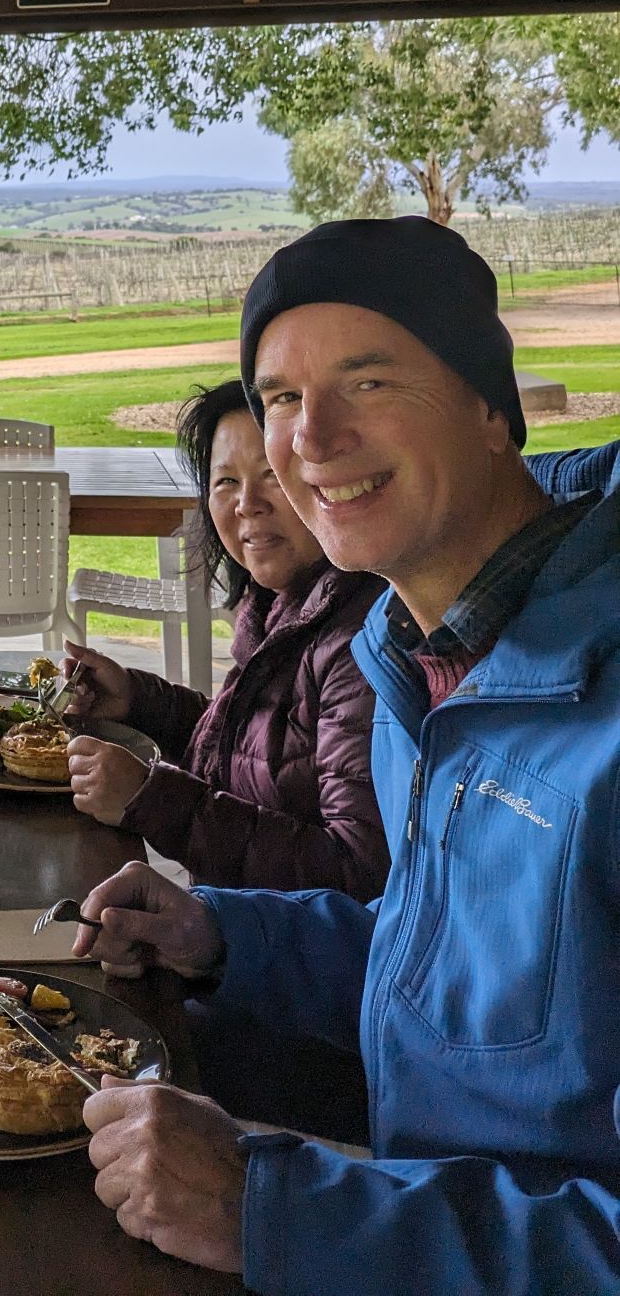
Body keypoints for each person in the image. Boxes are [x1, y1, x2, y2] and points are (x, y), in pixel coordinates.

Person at [70, 217, 620, 1292]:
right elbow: (451, 962)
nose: (309, 436)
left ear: (488, 408)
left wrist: (274, 1204)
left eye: (367, 380)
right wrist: (222, 929)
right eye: (278, 394)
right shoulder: (411, 654)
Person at [64, 378, 387, 897]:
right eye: (225, 482)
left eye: (273, 477)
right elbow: (249, 754)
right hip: (225, 929)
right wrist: (135, 699)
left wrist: (151, 798)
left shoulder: (360, 643)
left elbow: (355, 872)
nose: (247, 504)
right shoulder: (281, 605)